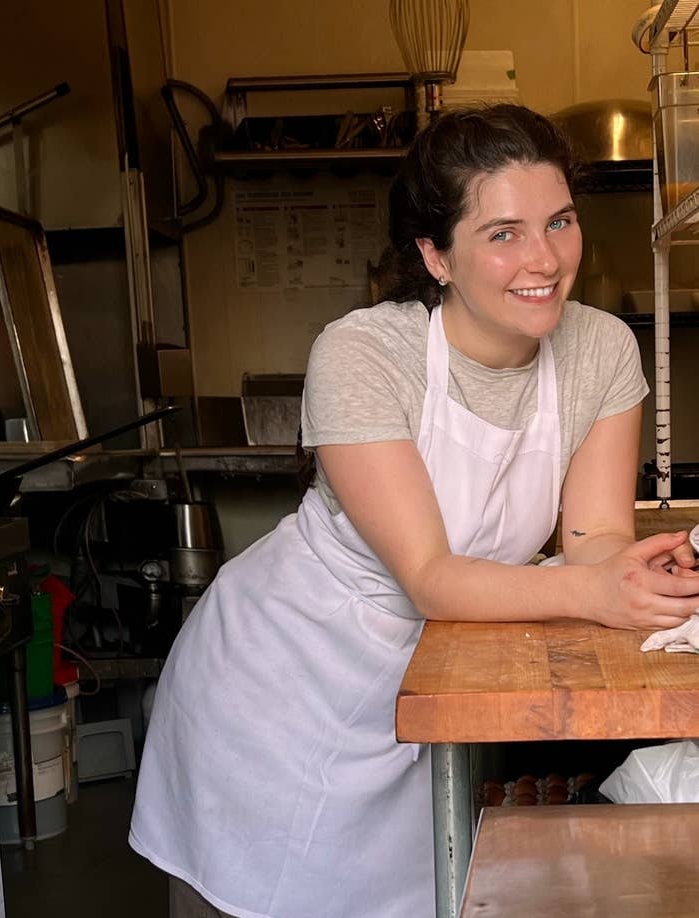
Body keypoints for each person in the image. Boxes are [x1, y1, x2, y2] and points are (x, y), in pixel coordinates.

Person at [129, 105, 699, 918]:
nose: (544, 259)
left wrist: (628, 572)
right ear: (436, 255)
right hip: (278, 693)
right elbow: (431, 577)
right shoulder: (364, 352)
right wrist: (595, 592)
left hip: (421, 703)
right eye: (502, 233)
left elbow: (591, 537)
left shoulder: (601, 348)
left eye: (559, 221)